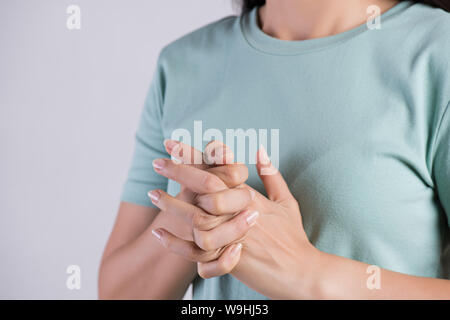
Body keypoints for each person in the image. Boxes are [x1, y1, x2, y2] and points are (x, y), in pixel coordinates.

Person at [99, 0, 450, 299]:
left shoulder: (437, 50)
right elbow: (117, 291)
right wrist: (202, 207)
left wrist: (308, 274)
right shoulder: (180, 65)